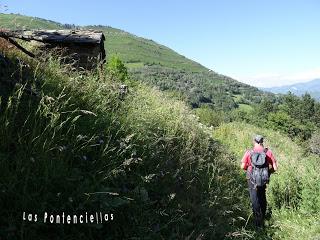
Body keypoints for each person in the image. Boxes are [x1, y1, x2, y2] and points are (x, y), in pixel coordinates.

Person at [241, 135, 278, 227]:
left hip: (251, 177)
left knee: (254, 197)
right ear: (262, 141)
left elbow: (242, 166)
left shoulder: (249, 152)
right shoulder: (267, 152)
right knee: (262, 195)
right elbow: (275, 168)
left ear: (254, 141)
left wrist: (249, 168)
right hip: (263, 177)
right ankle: (263, 216)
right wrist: (268, 172)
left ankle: (257, 219)